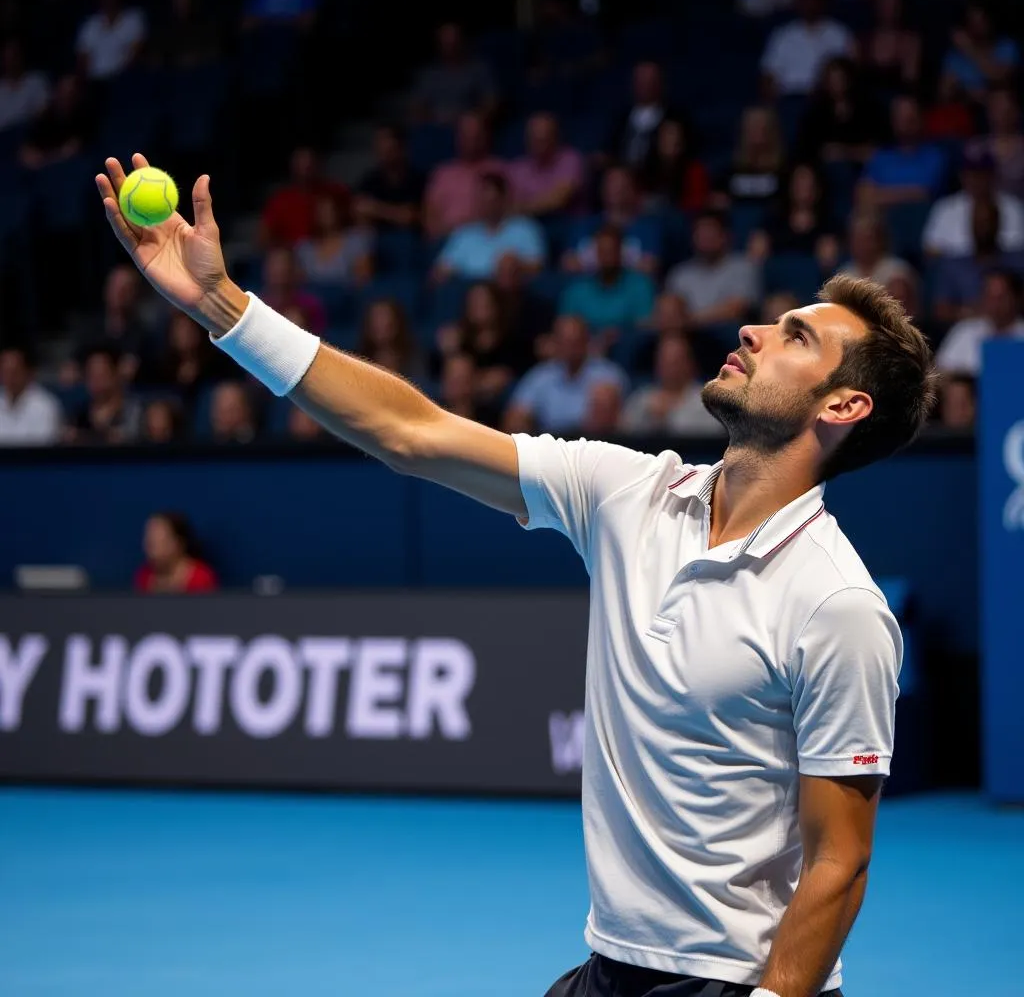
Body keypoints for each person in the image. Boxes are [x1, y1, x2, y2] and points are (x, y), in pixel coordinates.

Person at [97, 153, 938, 997]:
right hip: (611, 969)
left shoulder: (839, 605)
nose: (754, 331)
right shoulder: (628, 493)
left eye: (796, 337)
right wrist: (221, 305)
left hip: (731, 981)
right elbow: (410, 432)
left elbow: (840, 861)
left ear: (843, 406)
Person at [502, 314, 629, 434]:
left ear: (586, 341)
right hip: (550, 445)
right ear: (556, 343)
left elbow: (614, 421)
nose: (570, 348)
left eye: (575, 341)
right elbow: (516, 414)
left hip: (591, 445)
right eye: (564, 342)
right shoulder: (541, 375)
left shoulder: (607, 374)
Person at [433, 172, 545, 281]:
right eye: (482, 200)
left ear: (503, 199)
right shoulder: (464, 233)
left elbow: (537, 266)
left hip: (506, 291)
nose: (486, 205)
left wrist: (516, 266)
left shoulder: (524, 228)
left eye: (491, 200)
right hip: (467, 291)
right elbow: (440, 271)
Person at [932, 198, 1024, 324]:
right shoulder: (953, 265)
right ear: (970, 224)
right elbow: (941, 310)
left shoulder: (1017, 261)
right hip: (967, 330)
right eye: (978, 223)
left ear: (997, 223)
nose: (983, 228)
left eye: (988, 221)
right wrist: (977, 312)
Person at [922, 146, 1024, 259]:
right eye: (972, 174)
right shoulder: (946, 207)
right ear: (962, 176)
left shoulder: (1013, 207)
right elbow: (930, 250)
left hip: (1001, 268)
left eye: (982, 174)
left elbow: (1018, 249)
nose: (977, 180)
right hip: (956, 271)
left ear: (993, 175)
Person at [666, 210, 760, 328]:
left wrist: (690, 319)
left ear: (725, 236)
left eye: (711, 233)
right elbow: (670, 311)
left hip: (728, 335)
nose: (705, 239)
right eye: (701, 234)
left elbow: (737, 308)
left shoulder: (743, 266)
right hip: (687, 337)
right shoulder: (681, 273)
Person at [563, 166, 661, 276]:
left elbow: (649, 268)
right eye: (612, 184)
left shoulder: (647, 229)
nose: (616, 189)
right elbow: (569, 264)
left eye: (622, 184)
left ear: (633, 190)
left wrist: (592, 265)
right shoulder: (583, 225)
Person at [760, 0, 853, 97]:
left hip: (826, 98)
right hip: (788, 98)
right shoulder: (783, 34)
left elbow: (847, 75)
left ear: (823, 2)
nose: (810, 4)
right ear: (798, 3)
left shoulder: (839, 34)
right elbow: (768, 75)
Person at [559, 224, 655, 335]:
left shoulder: (640, 285)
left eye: (611, 251)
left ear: (620, 252)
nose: (606, 257)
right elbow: (565, 325)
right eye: (602, 251)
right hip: (584, 346)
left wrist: (618, 335)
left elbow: (645, 327)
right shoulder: (576, 289)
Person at [423, 111, 506, 240]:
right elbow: (430, 220)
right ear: (458, 137)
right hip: (447, 239)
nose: (471, 139)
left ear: (485, 136)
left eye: (476, 134)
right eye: (466, 134)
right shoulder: (442, 174)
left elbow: (509, 211)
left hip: (488, 239)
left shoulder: (498, 169)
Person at [622, 333, 724, 436]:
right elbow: (625, 431)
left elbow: (714, 433)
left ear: (690, 364)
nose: (669, 367)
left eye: (676, 361)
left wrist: (670, 416)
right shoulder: (642, 398)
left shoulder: (708, 400)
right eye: (664, 361)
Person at [858, 93, 947, 208]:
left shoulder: (934, 156)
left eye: (909, 118)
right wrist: (903, 194)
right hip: (882, 220)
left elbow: (923, 193)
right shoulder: (881, 156)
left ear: (920, 119)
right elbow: (863, 195)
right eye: (899, 117)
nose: (904, 123)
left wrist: (879, 196)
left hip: (920, 218)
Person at [748, 163, 839, 271]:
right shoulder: (773, 218)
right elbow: (754, 257)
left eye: (809, 184)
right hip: (776, 279)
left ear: (818, 190)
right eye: (799, 184)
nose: (804, 189)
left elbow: (829, 262)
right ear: (790, 187)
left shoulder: (828, 223)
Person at [935, 266, 1024, 376]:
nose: (995, 304)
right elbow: (940, 372)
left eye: (1001, 297)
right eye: (990, 296)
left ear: (1017, 298)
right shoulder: (964, 331)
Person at [259, 146, 350, 249]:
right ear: (292, 166)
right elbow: (263, 238)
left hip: (332, 252)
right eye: (301, 162)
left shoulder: (335, 191)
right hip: (294, 257)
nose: (306, 167)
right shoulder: (280, 200)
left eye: (309, 162)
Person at [795, 57, 880, 166]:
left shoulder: (867, 110)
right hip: (825, 170)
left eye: (840, 79)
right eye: (832, 80)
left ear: (849, 80)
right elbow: (808, 150)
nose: (836, 84)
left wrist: (845, 152)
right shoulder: (815, 113)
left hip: (864, 168)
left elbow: (875, 150)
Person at [412, 21, 497, 125]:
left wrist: (473, 118)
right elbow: (418, 105)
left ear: (462, 41)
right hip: (435, 125)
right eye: (446, 43)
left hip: (468, 127)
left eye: (453, 41)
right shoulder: (429, 74)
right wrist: (430, 119)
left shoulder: (478, 69)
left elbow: (491, 102)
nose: (450, 47)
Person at [508, 112, 585, 218]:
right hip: (527, 226)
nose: (539, 144)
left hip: (565, 225)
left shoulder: (570, 159)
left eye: (544, 138)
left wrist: (525, 206)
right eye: (534, 138)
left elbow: (559, 201)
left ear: (555, 138)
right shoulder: (517, 168)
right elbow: (509, 206)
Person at [941, 0, 1019, 103]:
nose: (977, 26)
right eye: (972, 21)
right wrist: (965, 93)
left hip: (999, 109)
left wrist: (969, 48)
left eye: (981, 21)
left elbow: (1001, 79)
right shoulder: (955, 56)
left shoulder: (1006, 46)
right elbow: (943, 95)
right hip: (966, 109)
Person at [65, 344, 142, 444]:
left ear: (115, 374)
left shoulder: (132, 411)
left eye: (101, 375)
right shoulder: (79, 415)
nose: (95, 381)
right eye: (91, 375)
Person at [353, 125, 426, 230]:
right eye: (379, 146)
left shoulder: (418, 180)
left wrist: (376, 209)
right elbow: (360, 210)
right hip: (375, 239)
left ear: (400, 147)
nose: (383, 152)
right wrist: (396, 213)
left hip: (410, 239)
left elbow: (412, 216)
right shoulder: (369, 180)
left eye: (389, 149)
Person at [294, 194, 374, 287]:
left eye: (330, 210)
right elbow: (297, 282)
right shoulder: (304, 247)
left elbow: (363, 279)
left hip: (347, 297)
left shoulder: (356, 240)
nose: (327, 215)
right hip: (312, 299)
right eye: (322, 211)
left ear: (339, 212)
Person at [75, 0, 147, 81]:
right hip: (94, 82)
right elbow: (83, 58)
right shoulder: (90, 24)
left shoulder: (134, 19)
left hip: (123, 79)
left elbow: (135, 52)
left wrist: (120, 77)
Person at [714, 106, 785, 208]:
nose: (757, 131)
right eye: (753, 126)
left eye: (761, 126)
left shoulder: (784, 172)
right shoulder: (728, 174)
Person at [856, 0, 921, 94]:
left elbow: (910, 83)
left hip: (898, 103)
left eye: (893, 3)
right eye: (884, 2)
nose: (888, 8)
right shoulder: (862, 41)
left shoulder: (910, 41)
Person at [18, 73, 92, 170]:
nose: (65, 96)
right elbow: (27, 154)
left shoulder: (83, 118)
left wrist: (48, 158)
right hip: (42, 170)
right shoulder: (45, 116)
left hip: (68, 169)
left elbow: (71, 150)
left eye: (70, 92)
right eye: (63, 91)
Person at [639, 116, 710, 214]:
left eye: (674, 135)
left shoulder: (694, 170)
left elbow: (696, 205)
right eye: (665, 135)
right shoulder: (646, 167)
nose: (670, 140)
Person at [135, 511, 217, 593]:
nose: (152, 551)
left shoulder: (200, 578)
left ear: (179, 543)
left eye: (160, 542)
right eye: (150, 543)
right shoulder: (144, 576)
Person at [0, 343, 62, 446]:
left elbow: (43, 446)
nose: (9, 378)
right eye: (5, 372)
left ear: (28, 372)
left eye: (14, 372)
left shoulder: (45, 406)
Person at [838, 211, 916, 292]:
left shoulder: (897, 272)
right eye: (857, 239)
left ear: (879, 240)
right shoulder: (843, 275)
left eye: (867, 239)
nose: (862, 245)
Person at [972, 87, 1024, 201]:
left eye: (1006, 107)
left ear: (1016, 110)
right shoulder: (976, 148)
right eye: (996, 107)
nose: (1002, 113)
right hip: (983, 213)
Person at [356, 298, 425, 380]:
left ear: (396, 323)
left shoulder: (413, 358)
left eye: (384, 318)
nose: (379, 324)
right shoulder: (358, 359)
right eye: (375, 319)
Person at [0, 39, 49, 133]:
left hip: (28, 134)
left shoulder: (37, 81)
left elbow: (42, 113)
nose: (11, 60)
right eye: (7, 56)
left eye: (15, 55)